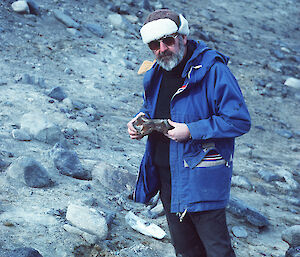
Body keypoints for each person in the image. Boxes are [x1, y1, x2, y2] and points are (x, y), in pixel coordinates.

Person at [127, 9, 251, 257]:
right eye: (154, 44)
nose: (162, 49)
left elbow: (238, 120)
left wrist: (192, 130)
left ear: (182, 36)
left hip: (201, 176)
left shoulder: (214, 70)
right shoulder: (155, 72)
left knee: (217, 250)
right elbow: (151, 107)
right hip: (167, 177)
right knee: (186, 250)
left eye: (168, 41)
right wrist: (139, 121)